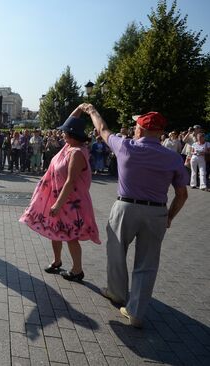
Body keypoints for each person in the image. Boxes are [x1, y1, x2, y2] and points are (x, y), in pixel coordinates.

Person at [85, 105, 189, 328]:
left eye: (135, 126)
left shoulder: (125, 146)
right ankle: (136, 312)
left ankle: (116, 292)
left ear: (140, 130)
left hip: (126, 207)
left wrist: (91, 110)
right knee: (148, 263)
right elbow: (182, 194)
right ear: (160, 133)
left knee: (116, 251)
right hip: (157, 211)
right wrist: (169, 216)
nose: (133, 129)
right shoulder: (173, 158)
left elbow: (102, 129)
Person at [19, 107, 101, 282]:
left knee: (71, 236)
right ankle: (57, 261)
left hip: (70, 201)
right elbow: (70, 121)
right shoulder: (69, 147)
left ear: (72, 135)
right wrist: (79, 109)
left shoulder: (77, 152)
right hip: (59, 197)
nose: (62, 134)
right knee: (55, 231)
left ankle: (77, 270)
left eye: (65, 132)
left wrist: (58, 204)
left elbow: (71, 181)